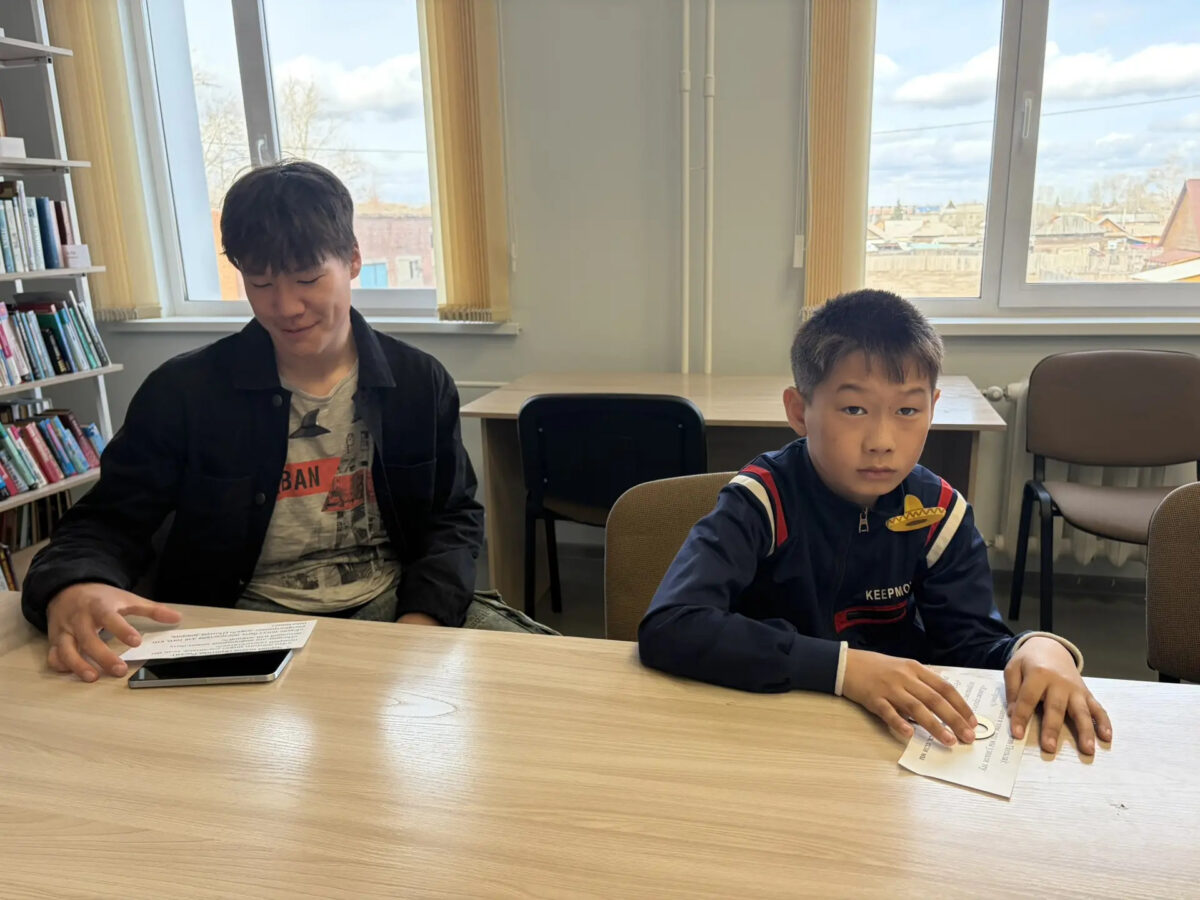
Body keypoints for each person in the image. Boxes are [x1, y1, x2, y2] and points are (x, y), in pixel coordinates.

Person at [23, 160, 550, 683]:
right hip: (241, 621)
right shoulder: (183, 392)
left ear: (353, 259)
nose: (286, 306)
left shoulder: (419, 381)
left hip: (393, 603)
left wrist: (421, 621)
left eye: (307, 278)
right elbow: (104, 522)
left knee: (552, 684)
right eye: (260, 282)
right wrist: (73, 585)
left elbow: (453, 517)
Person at [638, 289, 1112, 756]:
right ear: (799, 411)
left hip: (886, 742)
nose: (882, 441)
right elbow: (671, 625)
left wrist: (1034, 648)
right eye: (854, 409)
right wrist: (844, 669)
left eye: (908, 410)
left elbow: (969, 644)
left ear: (933, 407)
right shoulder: (760, 501)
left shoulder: (940, 513)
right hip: (763, 723)